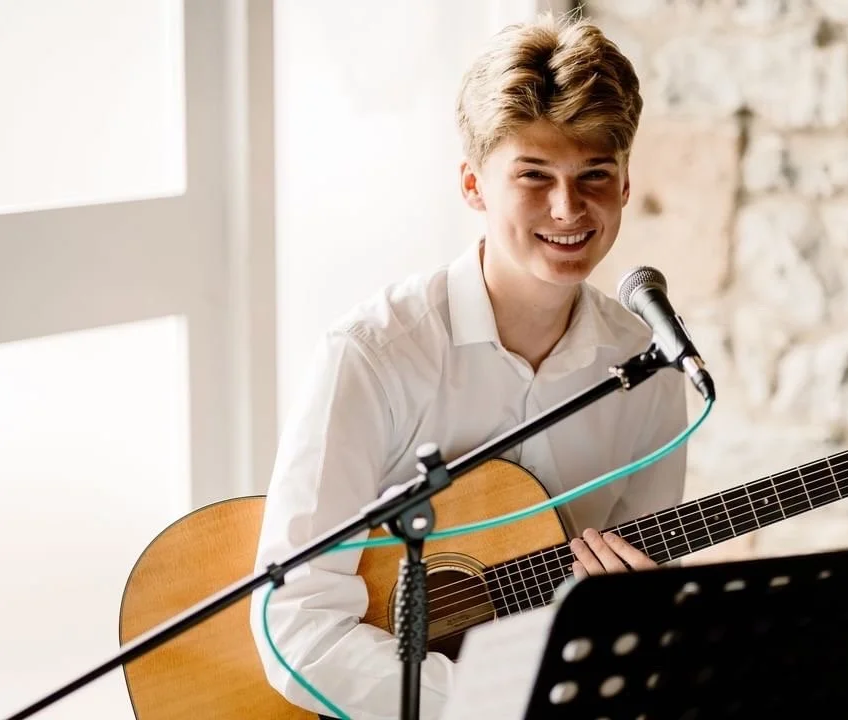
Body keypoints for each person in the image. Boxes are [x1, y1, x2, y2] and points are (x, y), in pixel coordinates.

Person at [249, 11, 689, 720]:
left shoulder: (652, 367)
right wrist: (490, 699)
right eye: (533, 174)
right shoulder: (373, 355)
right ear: (473, 186)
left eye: (595, 174)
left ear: (628, 184)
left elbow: (628, 608)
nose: (568, 207)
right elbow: (295, 624)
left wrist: (629, 620)